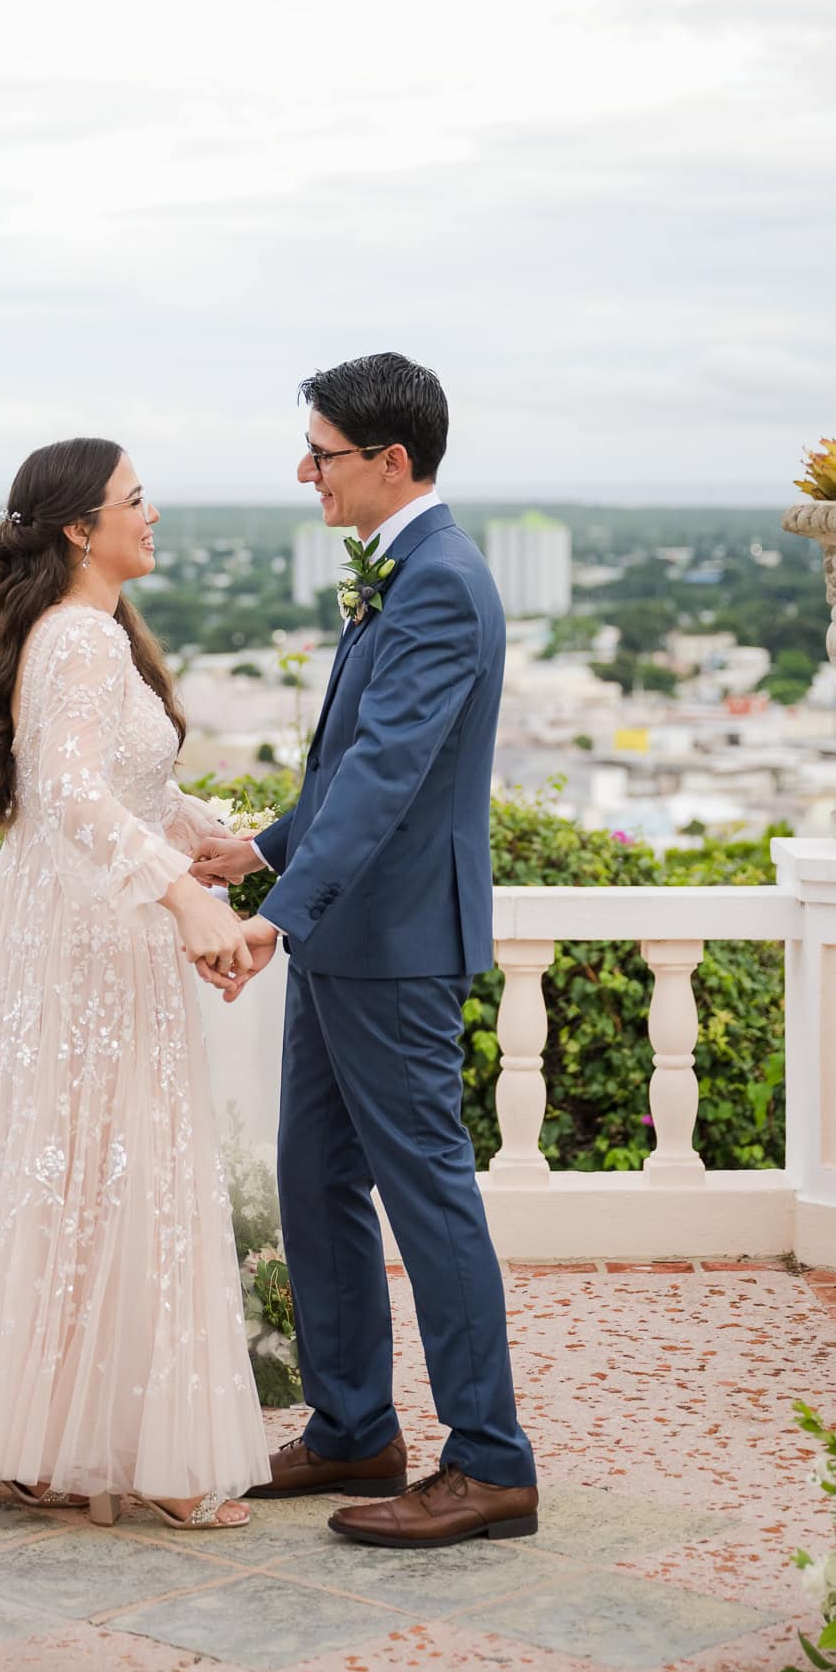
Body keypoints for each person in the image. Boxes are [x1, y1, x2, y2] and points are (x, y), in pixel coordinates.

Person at [0, 437, 270, 1531]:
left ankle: (32, 1440)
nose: (154, 514)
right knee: (120, 1162)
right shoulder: (84, 642)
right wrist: (184, 900)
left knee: (76, 1167)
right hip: (92, 940)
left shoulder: (84, 635)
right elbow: (73, 796)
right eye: (134, 500)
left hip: (83, 928)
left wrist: (225, 849)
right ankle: (162, 1459)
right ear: (80, 530)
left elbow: (134, 793)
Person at [191, 352, 539, 1548]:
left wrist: (276, 916)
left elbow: (392, 773)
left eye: (324, 452)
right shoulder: (400, 573)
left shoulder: (439, 582)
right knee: (314, 1175)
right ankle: (352, 1428)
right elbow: (347, 768)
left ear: (393, 461)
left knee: (427, 1194)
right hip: (346, 936)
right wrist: (259, 849)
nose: (307, 470)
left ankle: (490, 1460)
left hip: (390, 946)